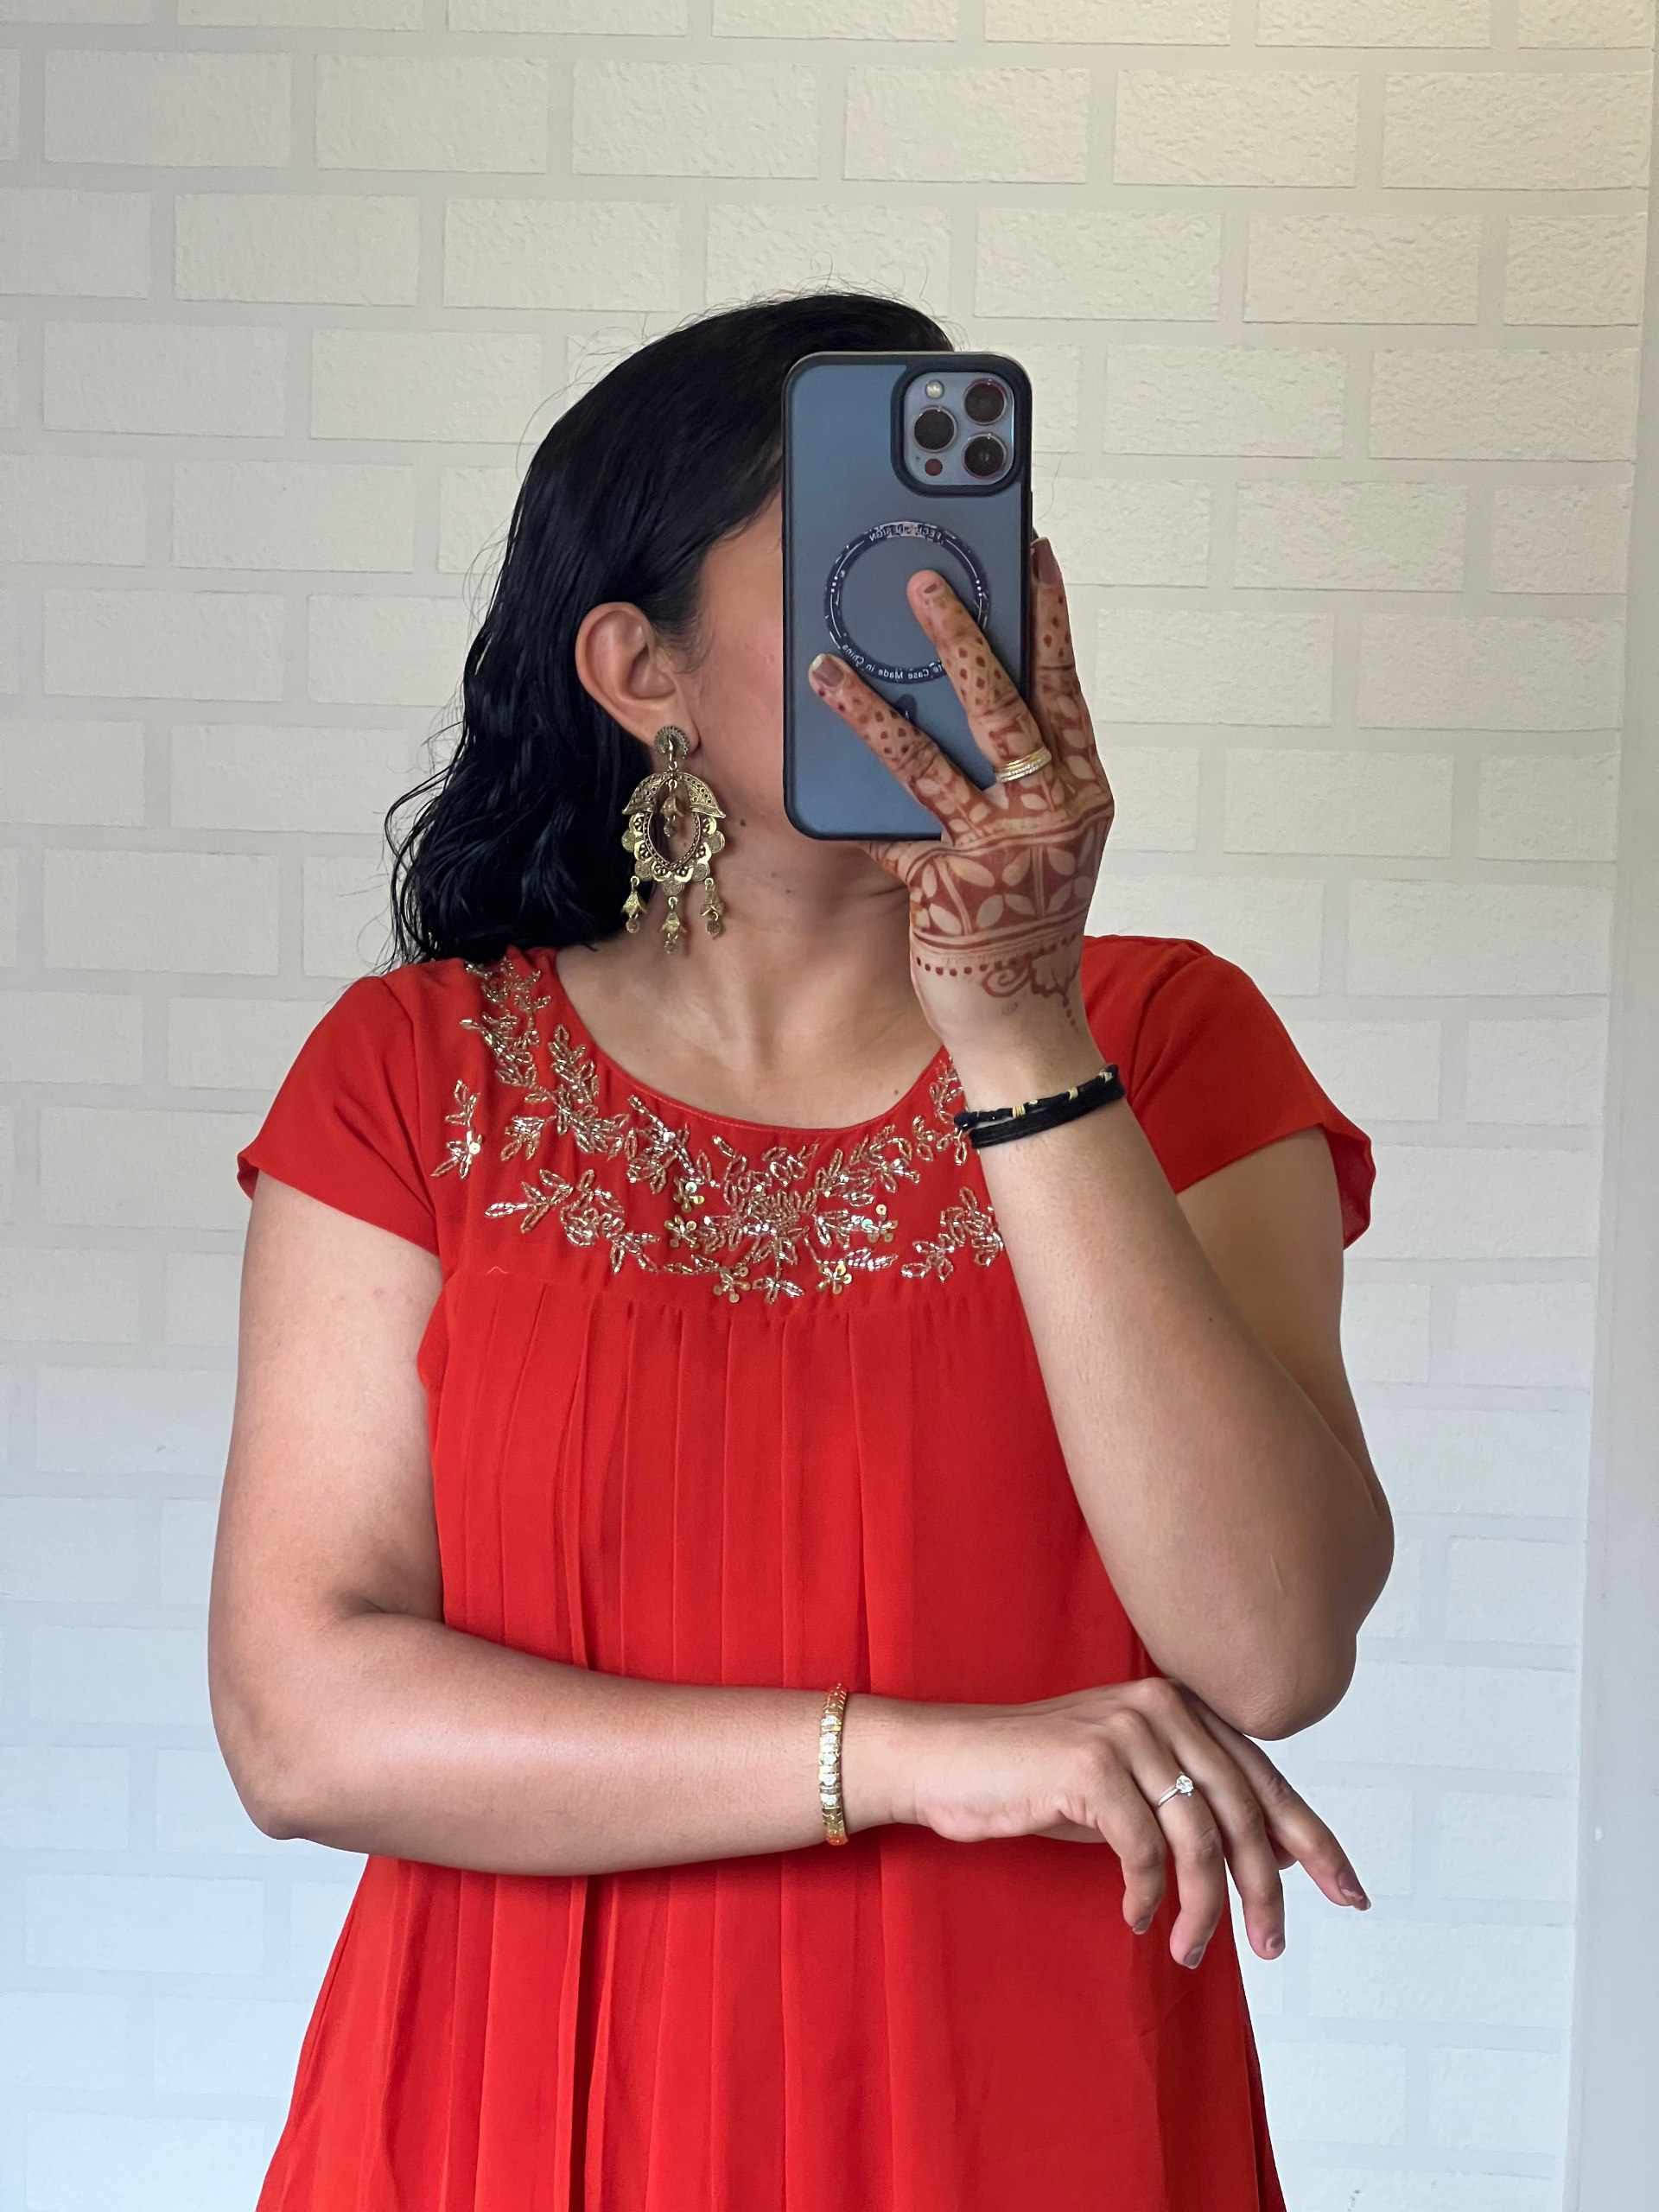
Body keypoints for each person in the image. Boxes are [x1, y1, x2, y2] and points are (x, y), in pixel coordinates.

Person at [212, 289, 1391, 2211]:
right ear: (639, 668)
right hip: (517, 2099)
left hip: (1020, 2105)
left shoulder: (1169, 1040)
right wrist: (919, 1760)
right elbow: (300, 1723)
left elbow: (1268, 1641)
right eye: (860, 550)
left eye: (969, 554)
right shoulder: (417, 1076)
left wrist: (1017, 1023)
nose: (938, 613)